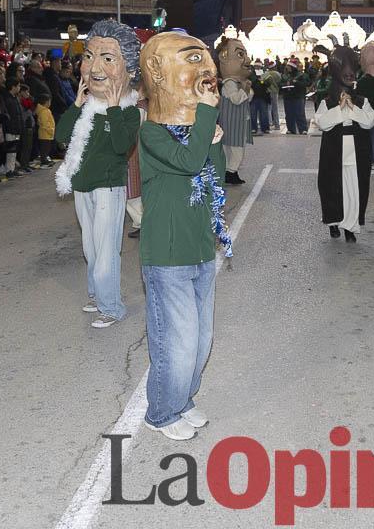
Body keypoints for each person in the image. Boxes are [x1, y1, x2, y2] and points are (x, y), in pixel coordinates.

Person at [137, 31, 227, 441]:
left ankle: (182, 399)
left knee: (201, 338)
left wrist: (215, 141)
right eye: (194, 59)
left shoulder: (196, 130)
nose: (207, 69)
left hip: (200, 250)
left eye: (207, 59)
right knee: (177, 341)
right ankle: (161, 412)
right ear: (157, 71)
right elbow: (189, 163)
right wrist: (207, 117)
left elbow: (214, 179)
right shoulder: (152, 133)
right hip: (168, 256)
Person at [54, 19, 142, 329]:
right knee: (90, 248)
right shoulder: (87, 107)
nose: (94, 67)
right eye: (89, 56)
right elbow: (60, 136)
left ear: (130, 70)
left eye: (107, 58)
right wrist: (76, 104)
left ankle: (112, 307)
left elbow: (121, 146)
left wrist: (114, 108)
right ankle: (97, 295)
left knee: (106, 252)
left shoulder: (128, 112)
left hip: (108, 188)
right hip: (82, 185)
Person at [315, 42, 374, 242]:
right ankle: (334, 222)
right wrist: (339, 109)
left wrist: (352, 108)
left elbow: (370, 121)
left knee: (354, 190)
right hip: (333, 154)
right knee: (332, 188)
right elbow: (322, 123)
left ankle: (350, 226)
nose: (349, 74)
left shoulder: (362, 101)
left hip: (357, 155)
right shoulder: (326, 102)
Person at [215, 37, 253, 185]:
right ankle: (231, 172)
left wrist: (246, 88)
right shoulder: (230, 83)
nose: (247, 60)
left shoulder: (237, 82)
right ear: (223, 57)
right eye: (240, 54)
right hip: (232, 123)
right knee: (236, 149)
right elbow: (237, 99)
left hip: (236, 122)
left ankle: (229, 172)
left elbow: (248, 98)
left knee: (230, 149)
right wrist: (245, 89)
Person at [280, 58, 310, 135]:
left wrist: (296, 82)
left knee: (299, 113)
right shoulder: (285, 75)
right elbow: (280, 84)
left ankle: (303, 129)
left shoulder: (301, 75)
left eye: (289, 67)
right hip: (287, 97)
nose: (287, 68)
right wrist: (285, 85)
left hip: (298, 96)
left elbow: (305, 84)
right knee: (289, 114)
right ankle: (290, 129)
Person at [34, 92, 56, 167]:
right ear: (46, 102)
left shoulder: (45, 110)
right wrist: (51, 130)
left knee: (46, 148)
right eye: (49, 101)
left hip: (46, 133)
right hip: (45, 133)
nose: (50, 103)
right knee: (44, 148)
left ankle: (45, 160)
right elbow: (45, 123)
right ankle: (44, 162)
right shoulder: (44, 111)